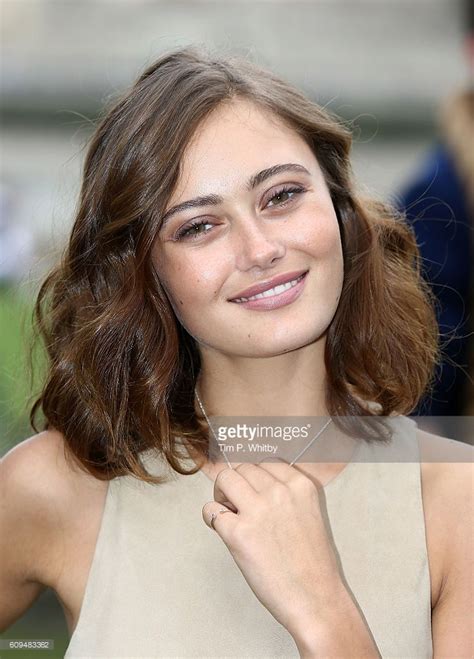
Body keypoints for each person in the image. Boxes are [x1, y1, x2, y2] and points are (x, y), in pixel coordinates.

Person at [0, 46, 472, 658]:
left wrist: (325, 612)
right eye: (198, 226)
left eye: (280, 196)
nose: (259, 248)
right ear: (143, 273)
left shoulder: (457, 499)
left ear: (337, 205)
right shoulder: (55, 486)